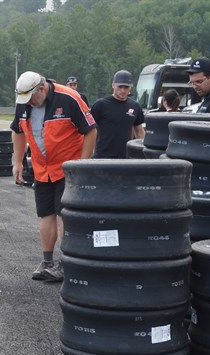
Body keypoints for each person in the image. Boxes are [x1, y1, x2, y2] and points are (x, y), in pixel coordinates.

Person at [11, 71, 97, 282]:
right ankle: (47, 261)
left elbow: (91, 130)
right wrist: (18, 161)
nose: (28, 103)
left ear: (41, 89)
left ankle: (67, 263)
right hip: (42, 169)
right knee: (46, 214)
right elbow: (18, 131)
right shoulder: (24, 102)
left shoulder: (69, 98)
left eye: (31, 98)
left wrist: (82, 164)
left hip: (67, 168)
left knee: (63, 215)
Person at [90, 70, 145, 159]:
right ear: (113, 85)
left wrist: (144, 153)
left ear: (130, 88)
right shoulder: (100, 105)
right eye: (120, 87)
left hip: (125, 158)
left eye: (126, 87)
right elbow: (89, 131)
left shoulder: (135, 106)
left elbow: (139, 132)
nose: (123, 90)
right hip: (102, 158)